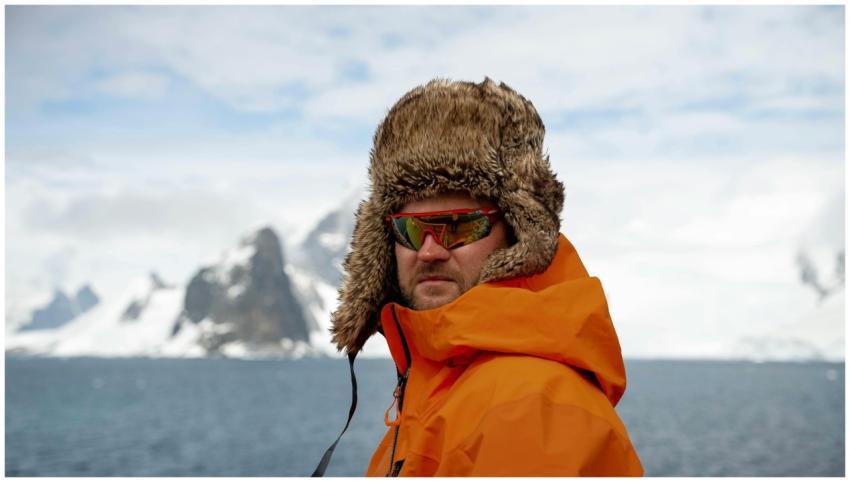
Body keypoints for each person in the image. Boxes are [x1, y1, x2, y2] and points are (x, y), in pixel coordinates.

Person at [323, 78, 643, 476]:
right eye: (409, 230)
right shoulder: (437, 391)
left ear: (516, 234)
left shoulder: (529, 407)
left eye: (458, 226)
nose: (429, 251)